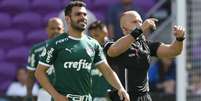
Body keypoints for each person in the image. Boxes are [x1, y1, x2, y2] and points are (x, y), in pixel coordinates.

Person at [35, 1, 129, 101]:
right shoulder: (55, 43)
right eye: (78, 14)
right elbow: (39, 72)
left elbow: (106, 70)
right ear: (68, 19)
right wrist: (55, 95)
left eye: (84, 14)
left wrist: (120, 88)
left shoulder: (93, 44)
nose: (83, 17)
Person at [104, 10, 185, 101]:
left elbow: (174, 51)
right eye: (134, 22)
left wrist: (180, 38)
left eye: (140, 22)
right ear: (124, 28)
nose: (139, 24)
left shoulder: (145, 45)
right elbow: (113, 51)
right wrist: (140, 29)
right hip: (123, 96)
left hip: (144, 97)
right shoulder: (113, 43)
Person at [26, 17, 64, 101]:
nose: (56, 31)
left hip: (65, 92)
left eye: (59, 28)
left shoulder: (71, 49)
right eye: (52, 28)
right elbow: (30, 75)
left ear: (63, 30)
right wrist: (29, 94)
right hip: (45, 94)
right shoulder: (36, 50)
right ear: (47, 30)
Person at [88, 20, 111, 101]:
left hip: (109, 95)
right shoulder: (87, 51)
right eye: (92, 29)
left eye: (99, 29)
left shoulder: (114, 49)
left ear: (106, 31)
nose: (95, 31)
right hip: (91, 95)